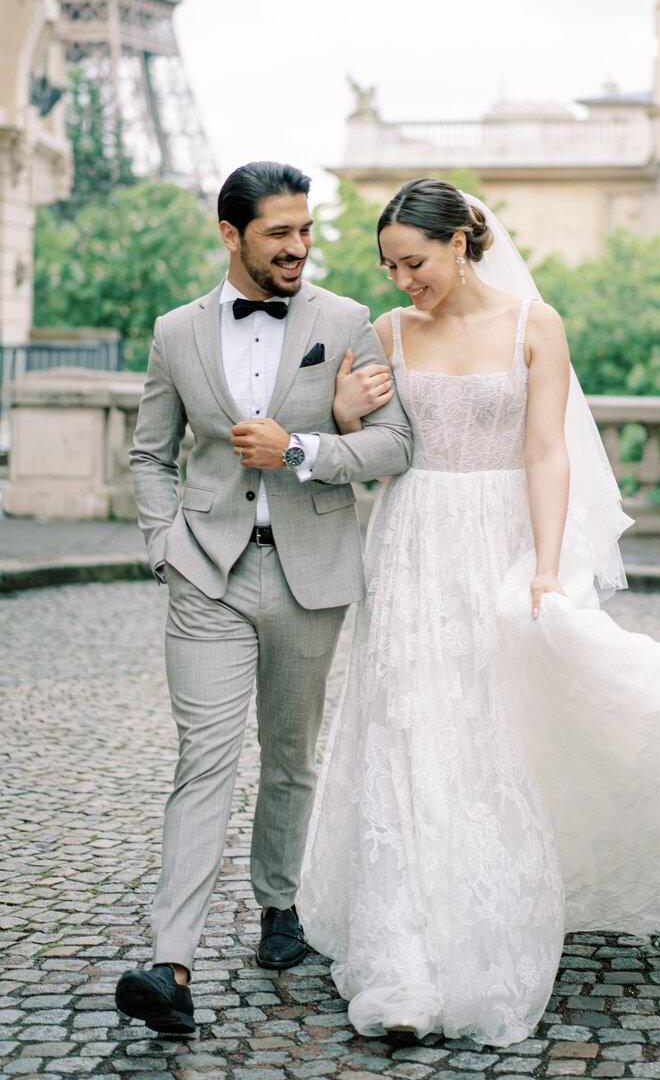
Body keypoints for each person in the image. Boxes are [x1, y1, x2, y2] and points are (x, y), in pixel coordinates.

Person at [298, 178, 660, 1048]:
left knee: (494, 727)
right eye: (388, 264)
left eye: (412, 261)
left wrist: (548, 566)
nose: (401, 278)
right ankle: (403, 954)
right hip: (414, 539)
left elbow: (545, 451)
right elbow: (374, 446)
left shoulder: (538, 325)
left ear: (462, 243)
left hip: (501, 538)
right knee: (412, 728)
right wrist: (344, 412)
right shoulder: (386, 332)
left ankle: (487, 917)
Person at [115, 161, 412, 1036]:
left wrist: (302, 450)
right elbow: (148, 452)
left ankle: (281, 905)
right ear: (231, 234)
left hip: (309, 570)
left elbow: (397, 443)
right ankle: (170, 964)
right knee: (203, 760)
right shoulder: (175, 333)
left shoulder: (349, 322)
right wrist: (166, 544)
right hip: (207, 570)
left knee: (290, 753)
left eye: (306, 229)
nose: (298, 246)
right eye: (279, 231)